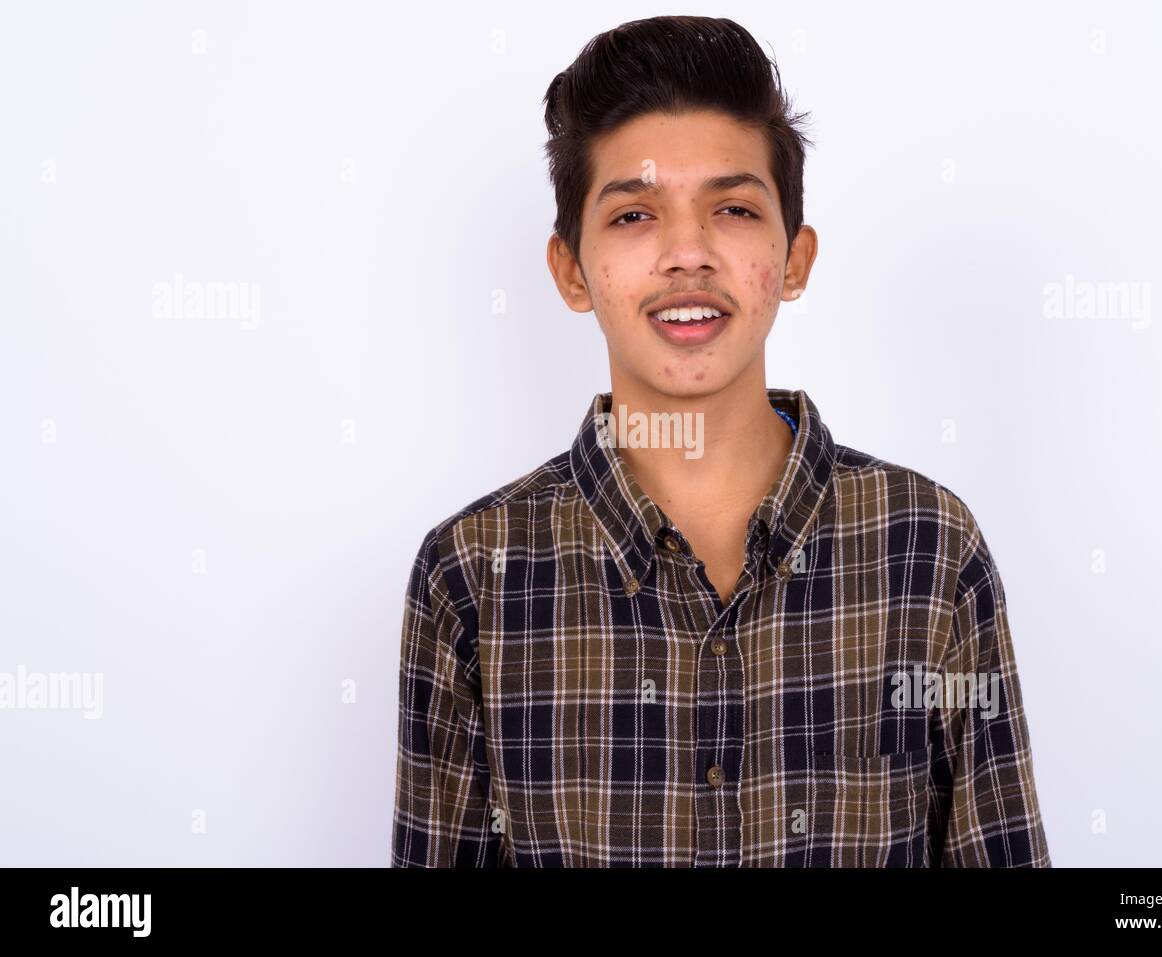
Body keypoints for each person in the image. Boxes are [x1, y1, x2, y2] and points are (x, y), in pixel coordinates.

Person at [392, 15, 1050, 867]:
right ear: (570, 270)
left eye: (733, 209)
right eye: (634, 214)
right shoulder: (473, 574)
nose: (688, 254)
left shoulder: (929, 549)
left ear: (795, 258)